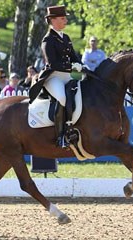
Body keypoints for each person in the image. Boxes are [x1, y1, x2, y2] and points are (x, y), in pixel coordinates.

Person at [28, 5, 83, 148]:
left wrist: (79, 65)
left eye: (65, 18)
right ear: (52, 20)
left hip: (68, 75)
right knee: (62, 97)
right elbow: (53, 63)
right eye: (62, 18)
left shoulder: (66, 37)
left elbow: (73, 56)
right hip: (54, 76)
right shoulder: (48, 40)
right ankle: (61, 136)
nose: (66, 21)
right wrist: (72, 67)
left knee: (86, 89)